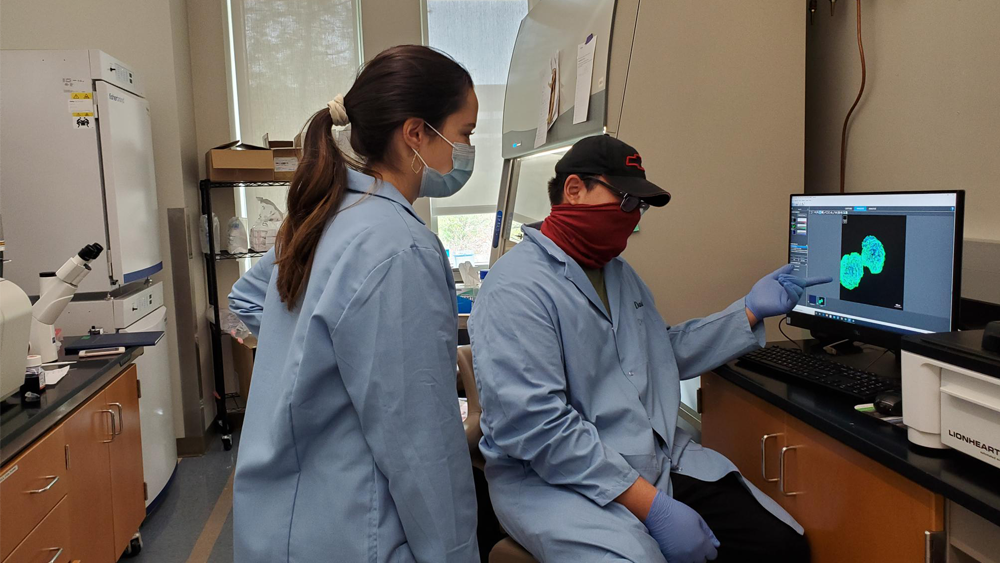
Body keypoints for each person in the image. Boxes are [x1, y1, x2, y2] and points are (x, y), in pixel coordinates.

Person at [469, 135, 830, 563]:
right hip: (553, 479)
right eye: (625, 202)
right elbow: (538, 429)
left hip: (649, 458)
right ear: (573, 190)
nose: (632, 217)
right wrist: (651, 506)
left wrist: (748, 312)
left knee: (778, 546)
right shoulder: (516, 289)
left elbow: (659, 352)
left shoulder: (618, 274)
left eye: (638, 208)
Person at [229, 45, 480, 563]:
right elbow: (421, 449)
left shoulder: (327, 213)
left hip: (282, 521)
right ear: (416, 133)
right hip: (355, 531)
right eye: (465, 133)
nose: (465, 149)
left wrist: (314, 369)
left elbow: (249, 299)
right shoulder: (399, 245)